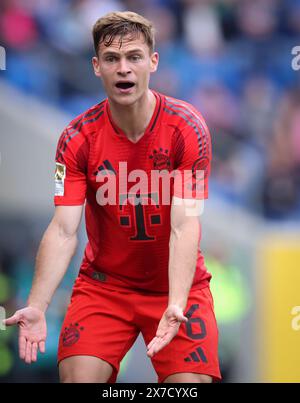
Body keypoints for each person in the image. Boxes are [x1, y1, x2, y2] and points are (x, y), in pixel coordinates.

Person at [3, 11, 221, 383]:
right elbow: (63, 230)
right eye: (111, 59)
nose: (124, 68)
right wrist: (37, 305)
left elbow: (185, 226)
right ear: (95, 66)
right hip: (105, 287)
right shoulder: (76, 139)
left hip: (176, 288)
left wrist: (176, 303)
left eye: (134, 57)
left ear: (152, 61)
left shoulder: (188, 129)